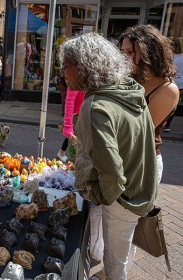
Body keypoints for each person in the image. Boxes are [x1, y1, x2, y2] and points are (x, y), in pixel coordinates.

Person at [60, 33, 158, 280]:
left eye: (66, 66)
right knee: (118, 259)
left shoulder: (96, 106)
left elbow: (112, 174)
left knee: (115, 267)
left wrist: (100, 197)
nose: (62, 72)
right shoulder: (130, 91)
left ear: (83, 67)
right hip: (138, 189)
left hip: (122, 201)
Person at [119, 25, 179, 183]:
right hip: (119, 159)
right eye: (122, 52)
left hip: (142, 165)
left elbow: (138, 131)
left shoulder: (167, 89)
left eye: (130, 52)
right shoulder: (131, 79)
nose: (125, 58)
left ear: (149, 52)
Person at [57, 87, 84, 162]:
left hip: (82, 113)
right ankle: (64, 154)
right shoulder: (77, 79)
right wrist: (68, 124)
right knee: (74, 139)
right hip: (76, 113)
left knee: (74, 138)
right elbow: (70, 100)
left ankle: (62, 152)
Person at [164, 39, 183, 131]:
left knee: (167, 103)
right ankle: (168, 124)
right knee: (175, 104)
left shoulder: (170, 57)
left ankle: (165, 123)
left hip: (171, 81)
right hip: (181, 82)